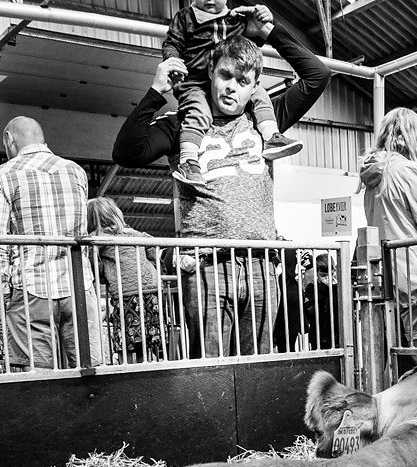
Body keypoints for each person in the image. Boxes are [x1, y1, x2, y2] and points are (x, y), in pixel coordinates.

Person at [113, 18, 330, 359]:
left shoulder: (266, 120)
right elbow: (126, 151)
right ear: (211, 71)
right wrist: (156, 93)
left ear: (255, 86)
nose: (231, 87)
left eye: (243, 81)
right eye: (225, 75)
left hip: (260, 264)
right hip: (206, 266)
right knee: (211, 372)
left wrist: (270, 32)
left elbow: (318, 74)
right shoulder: (183, 124)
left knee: (256, 370)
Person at [0, 117, 101, 370]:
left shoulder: (1, 175)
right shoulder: (75, 171)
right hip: (78, 286)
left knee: (38, 382)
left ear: (9, 139)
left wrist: (6, 293)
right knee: (91, 372)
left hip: (31, 289)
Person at [163, 1, 302, 186]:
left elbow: (247, 49)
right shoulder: (185, 17)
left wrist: (266, 17)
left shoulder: (236, 18)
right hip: (195, 83)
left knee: (261, 95)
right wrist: (173, 60)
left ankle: (272, 137)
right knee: (198, 112)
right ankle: (188, 161)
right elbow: (173, 42)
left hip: (224, 79)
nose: (210, 0)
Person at [359, 107, 417, 346]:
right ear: (414, 136)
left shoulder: (373, 179)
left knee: (409, 362)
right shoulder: (408, 171)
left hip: (395, 282)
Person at [87, 197, 163, 363]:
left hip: (126, 293)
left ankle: (125, 368)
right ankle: (149, 367)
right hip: (152, 288)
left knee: (126, 338)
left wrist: (105, 274)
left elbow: (95, 268)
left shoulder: (96, 239)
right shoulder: (134, 234)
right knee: (148, 338)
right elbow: (153, 248)